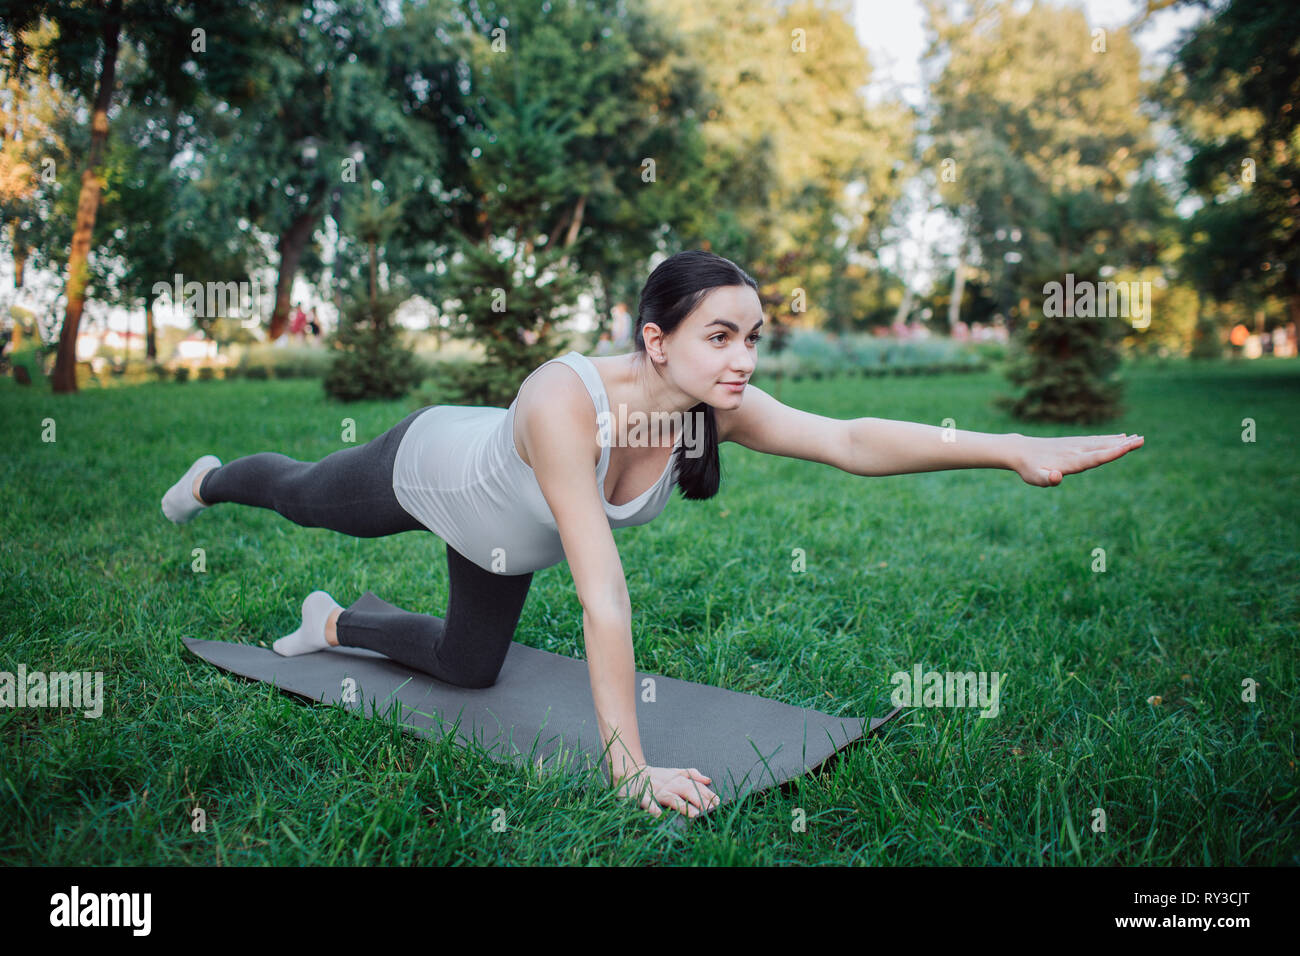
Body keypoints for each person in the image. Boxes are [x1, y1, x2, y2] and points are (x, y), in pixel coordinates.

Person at [158, 248, 1146, 819]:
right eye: (723, 333)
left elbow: (847, 437)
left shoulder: (711, 402)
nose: (744, 356)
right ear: (655, 337)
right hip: (429, 469)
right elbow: (601, 591)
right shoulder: (564, 399)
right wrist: (627, 765)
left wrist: (1007, 444)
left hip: (505, 538)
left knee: (468, 668)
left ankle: (333, 626)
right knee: (296, 493)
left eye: (754, 335)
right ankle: (209, 478)